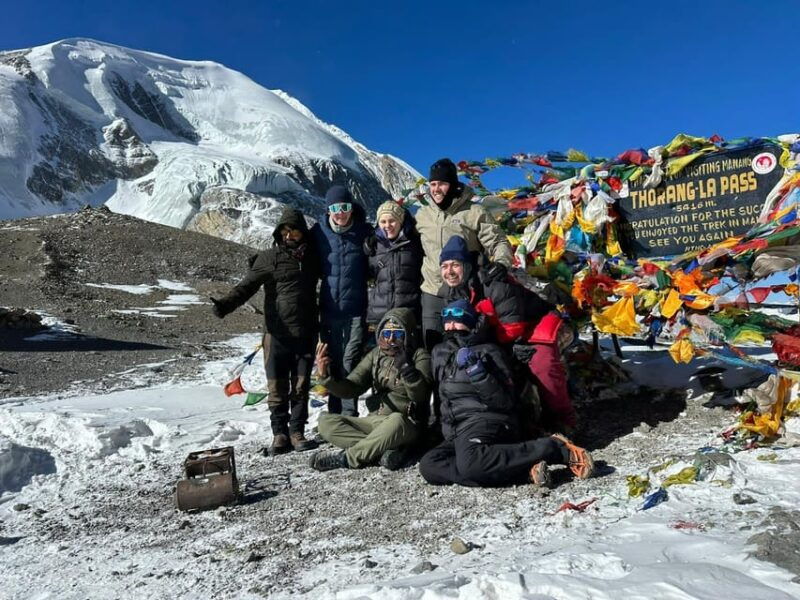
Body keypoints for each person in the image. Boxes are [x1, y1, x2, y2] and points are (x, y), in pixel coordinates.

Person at [418, 300, 593, 488]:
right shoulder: (440, 353)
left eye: (457, 321)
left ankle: (554, 448)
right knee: (430, 465)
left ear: (470, 322)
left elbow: (504, 401)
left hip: (488, 420)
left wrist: (478, 373)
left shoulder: (489, 351)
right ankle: (525, 470)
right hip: (458, 428)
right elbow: (442, 397)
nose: (451, 326)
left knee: (472, 465)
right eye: (447, 321)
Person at [438, 235, 577, 430]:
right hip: (498, 334)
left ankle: (563, 418)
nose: (449, 272)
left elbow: (511, 328)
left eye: (455, 265)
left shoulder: (494, 282)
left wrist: (507, 348)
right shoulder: (451, 292)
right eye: (444, 266)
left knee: (542, 364)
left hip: (532, 325)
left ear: (467, 265)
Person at [210, 206, 320, 455]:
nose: (289, 236)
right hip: (275, 333)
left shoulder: (313, 258)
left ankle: (297, 432)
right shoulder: (268, 258)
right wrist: (225, 305)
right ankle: (279, 434)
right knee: (276, 387)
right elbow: (247, 286)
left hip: (305, 332)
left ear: (303, 232)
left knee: (301, 386)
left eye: (294, 231)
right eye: (284, 231)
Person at [309, 308, 432, 471]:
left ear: (408, 334)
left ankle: (348, 458)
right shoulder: (376, 355)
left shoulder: (419, 356)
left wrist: (407, 370)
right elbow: (352, 387)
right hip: (375, 420)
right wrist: (325, 377)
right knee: (326, 422)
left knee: (396, 420)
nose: (391, 339)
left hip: (405, 423)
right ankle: (380, 451)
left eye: (397, 334)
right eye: (386, 334)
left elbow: (421, 396)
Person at [414, 158, 513, 350]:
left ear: (452, 185)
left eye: (442, 184)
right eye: (432, 184)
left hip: (466, 291)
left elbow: (498, 241)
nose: (436, 189)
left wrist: (502, 263)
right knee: (433, 348)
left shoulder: (474, 212)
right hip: (433, 292)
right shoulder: (422, 215)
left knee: (464, 347)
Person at [311, 185, 372, 416]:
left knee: (350, 361)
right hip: (329, 309)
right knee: (333, 361)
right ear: (328, 210)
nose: (341, 213)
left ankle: (349, 415)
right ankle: (335, 415)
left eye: (345, 207)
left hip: (356, 310)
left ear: (352, 208)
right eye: (335, 208)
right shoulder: (319, 232)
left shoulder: (364, 232)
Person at [364, 200, 423, 328]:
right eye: (383, 222)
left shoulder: (414, 244)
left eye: (392, 221)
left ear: (400, 221)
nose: (387, 225)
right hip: (379, 315)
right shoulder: (373, 246)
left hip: (407, 314)